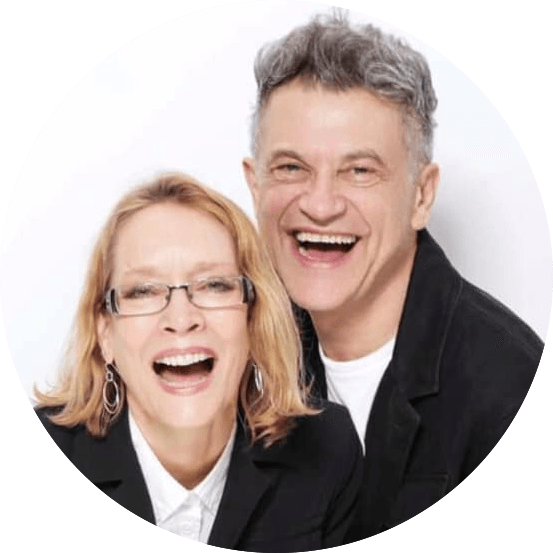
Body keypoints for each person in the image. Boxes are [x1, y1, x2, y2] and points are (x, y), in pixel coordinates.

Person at [243, 14, 544, 540]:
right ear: (255, 185)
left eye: (359, 171)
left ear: (421, 196)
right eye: (291, 167)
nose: (319, 205)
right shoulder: (238, 357)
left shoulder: (513, 395)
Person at [35, 173, 362, 552]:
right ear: (106, 333)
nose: (181, 318)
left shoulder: (328, 449)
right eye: (143, 291)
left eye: (214, 285)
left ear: (253, 320)